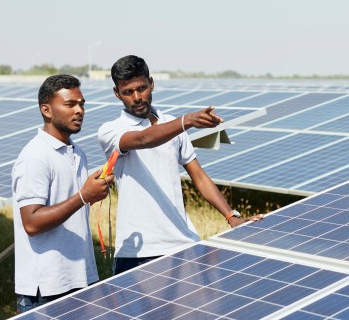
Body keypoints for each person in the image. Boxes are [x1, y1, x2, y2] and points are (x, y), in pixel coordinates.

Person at [98, 55, 262, 275]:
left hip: (182, 244)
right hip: (138, 253)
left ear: (152, 83)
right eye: (128, 92)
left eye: (142, 88)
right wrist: (186, 121)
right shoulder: (111, 130)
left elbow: (199, 176)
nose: (136, 97)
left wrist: (231, 216)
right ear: (117, 93)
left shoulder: (172, 125)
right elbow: (144, 139)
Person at [12, 75, 114, 312]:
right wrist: (83, 196)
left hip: (80, 279)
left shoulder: (77, 152)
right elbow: (32, 222)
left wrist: (92, 193)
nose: (79, 110)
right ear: (46, 110)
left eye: (82, 104)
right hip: (46, 290)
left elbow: (75, 204)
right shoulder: (35, 157)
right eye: (70, 104)